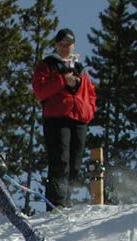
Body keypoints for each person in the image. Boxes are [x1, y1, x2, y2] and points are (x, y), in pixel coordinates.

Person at [32, 28, 97, 210]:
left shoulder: (80, 68)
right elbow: (39, 90)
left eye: (67, 45)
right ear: (56, 45)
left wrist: (89, 110)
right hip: (56, 117)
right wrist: (62, 80)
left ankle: (66, 201)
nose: (64, 48)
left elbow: (91, 93)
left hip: (79, 118)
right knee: (60, 161)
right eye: (61, 45)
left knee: (75, 163)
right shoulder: (47, 64)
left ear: (73, 45)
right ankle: (56, 204)